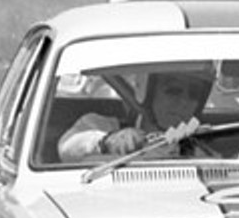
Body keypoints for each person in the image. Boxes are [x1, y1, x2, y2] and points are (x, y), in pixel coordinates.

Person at [58, 68, 212, 162]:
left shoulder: (198, 152)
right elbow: (67, 148)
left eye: (194, 95)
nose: (185, 102)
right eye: (173, 90)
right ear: (145, 92)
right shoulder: (100, 126)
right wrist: (106, 142)